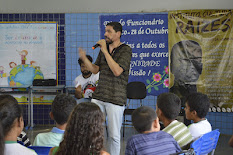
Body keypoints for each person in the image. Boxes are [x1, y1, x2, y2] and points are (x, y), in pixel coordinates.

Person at [79, 22, 132, 155]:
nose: (105, 34)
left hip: (115, 98)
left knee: (114, 136)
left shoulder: (125, 49)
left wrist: (104, 51)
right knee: (92, 131)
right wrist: (85, 59)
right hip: (99, 97)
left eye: (109, 31)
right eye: (105, 31)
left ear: (118, 34)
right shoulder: (104, 50)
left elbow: (117, 71)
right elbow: (95, 69)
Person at [170, 40, 203, 126]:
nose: (191, 67)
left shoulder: (199, 100)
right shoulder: (171, 98)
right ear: (172, 66)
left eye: (196, 61)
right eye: (183, 61)